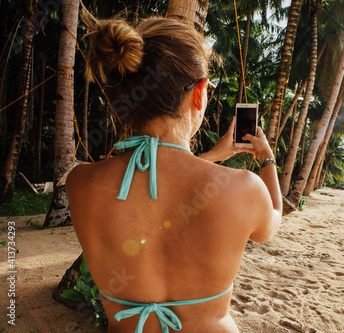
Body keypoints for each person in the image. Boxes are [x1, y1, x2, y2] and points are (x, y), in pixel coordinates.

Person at [66, 11, 282, 333]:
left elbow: (155, 187)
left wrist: (212, 157)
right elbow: (272, 221)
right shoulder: (245, 189)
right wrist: (267, 161)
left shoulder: (80, 183)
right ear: (199, 92)